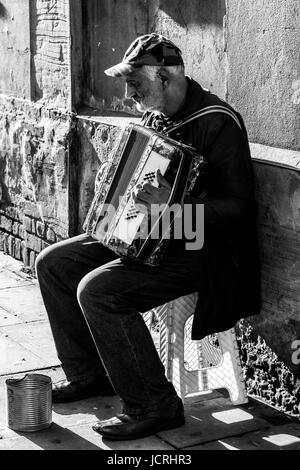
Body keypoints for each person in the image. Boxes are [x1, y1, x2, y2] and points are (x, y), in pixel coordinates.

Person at [35, 33, 261, 441]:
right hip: (146, 235)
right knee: (54, 263)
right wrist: (114, 188)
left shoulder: (217, 121)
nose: (127, 93)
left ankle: (154, 402)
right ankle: (91, 374)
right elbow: (140, 179)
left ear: (166, 77)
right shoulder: (157, 116)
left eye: (135, 83)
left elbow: (240, 208)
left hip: (200, 251)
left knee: (99, 291)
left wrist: (176, 214)